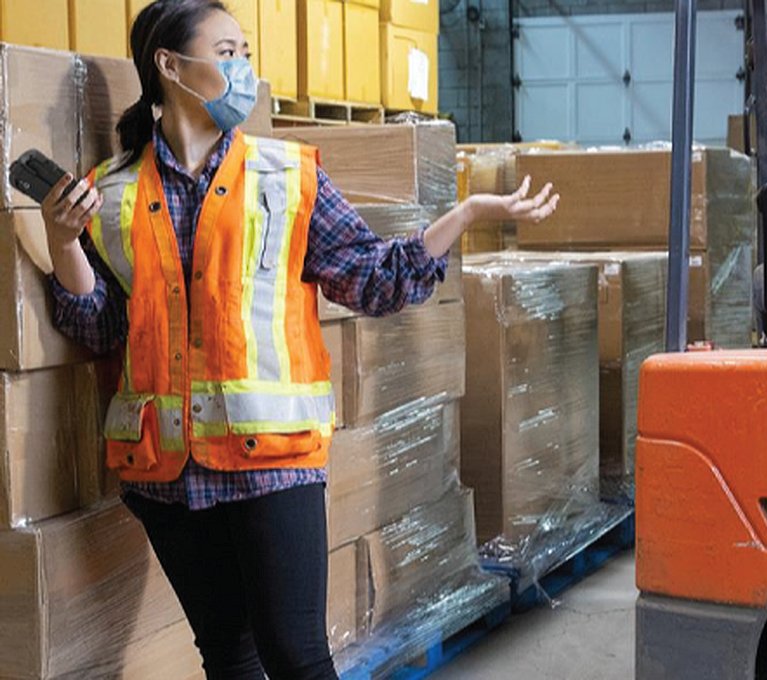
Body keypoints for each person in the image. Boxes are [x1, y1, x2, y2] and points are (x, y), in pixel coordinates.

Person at [40, 1, 559, 678]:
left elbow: (376, 282)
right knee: (227, 655)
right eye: (227, 53)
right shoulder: (111, 193)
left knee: (297, 657)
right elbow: (101, 327)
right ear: (170, 66)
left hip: (272, 463)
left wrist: (461, 215)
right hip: (166, 475)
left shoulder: (286, 177)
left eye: (244, 51)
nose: (244, 68)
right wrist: (60, 241)